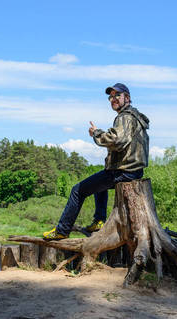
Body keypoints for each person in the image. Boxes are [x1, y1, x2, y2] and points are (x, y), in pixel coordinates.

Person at [43, 82, 150, 240]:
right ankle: (99, 220)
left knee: (77, 190)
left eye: (117, 95)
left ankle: (62, 230)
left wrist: (96, 133)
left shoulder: (125, 117)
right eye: (110, 96)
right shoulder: (135, 117)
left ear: (127, 98)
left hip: (123, 171)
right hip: (134, 171)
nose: (113, 99)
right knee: (100, 185)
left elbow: (117, 140)